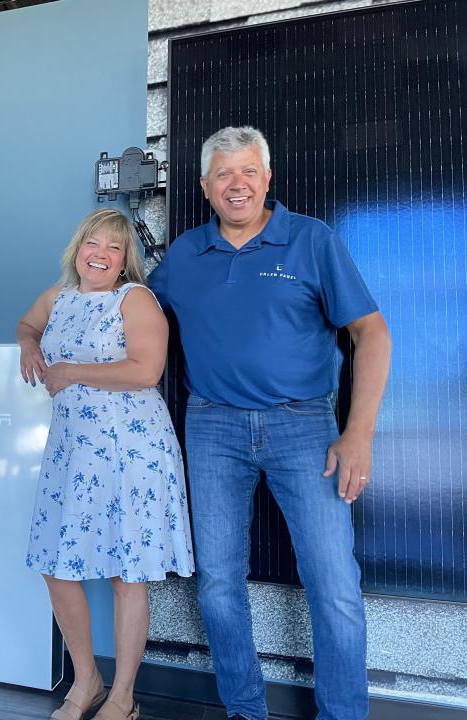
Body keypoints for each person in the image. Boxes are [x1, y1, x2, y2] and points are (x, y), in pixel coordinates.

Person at [149, 126, 391, 720]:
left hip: (305, 428)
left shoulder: (312, 240)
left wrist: (358, 433)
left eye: (249, 171)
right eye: (224, 174)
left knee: (333, 584)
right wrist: (41, 324)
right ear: (205, 187)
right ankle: (244, 710)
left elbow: (372, 333)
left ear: (268, 177)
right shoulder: (184, 255)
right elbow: (131, 312)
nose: (238, 185)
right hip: (212, 428)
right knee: (218, 584)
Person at [18, 208, 194, 720]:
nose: (100, 253)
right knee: (56, 566)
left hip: (129, 453)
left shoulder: (135, 299)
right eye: (92, 242)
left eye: (113, 247)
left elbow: (146, 370)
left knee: (126, 575)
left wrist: (69, 369)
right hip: (71, 452)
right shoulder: (56, 298)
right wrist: (29, 344)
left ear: (125, 260)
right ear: (77, 249)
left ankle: (123, 696)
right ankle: (87, 679)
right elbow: (27, 323)